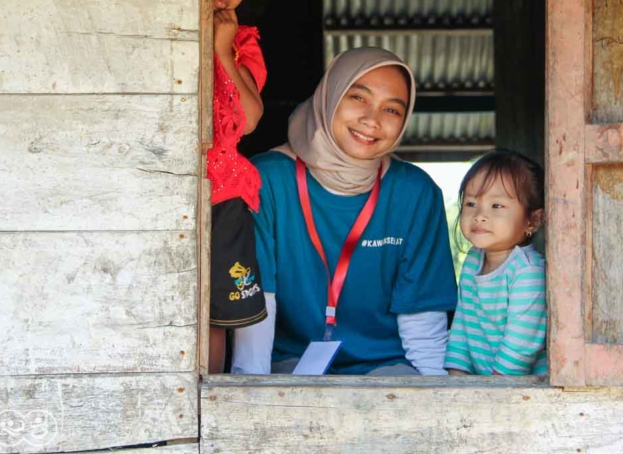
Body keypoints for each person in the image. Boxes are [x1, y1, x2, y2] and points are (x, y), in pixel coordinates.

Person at [231, 47, 458, 376]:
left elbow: (421, 320)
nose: (372, 120)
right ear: (330, 95)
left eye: (392, 110)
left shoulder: (415, 192)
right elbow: (256, 298)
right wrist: (251, 392)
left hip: (387, 367)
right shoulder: (266, 179)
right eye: (358, 98)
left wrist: (436, 400)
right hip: (291, 366)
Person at [208, 0, 268, 373]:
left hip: (224, 192)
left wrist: (223, 52)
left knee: (214, 315)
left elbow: (248, 120)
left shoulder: (242, 42)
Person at [444, 149, 547, 376]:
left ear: (533, 220)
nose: (479, 215)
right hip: (487, 389)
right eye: (471, 203)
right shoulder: (473, 261)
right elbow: (461, 327)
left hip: (523, 392)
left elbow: (520, 349)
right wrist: (455, 381)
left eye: (497, 206)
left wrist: (493, 392)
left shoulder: (527, 271)